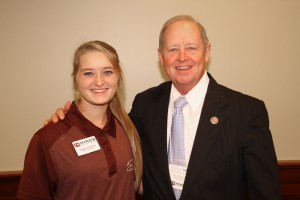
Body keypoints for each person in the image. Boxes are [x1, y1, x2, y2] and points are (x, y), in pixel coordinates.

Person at [45, 15, 281, 199]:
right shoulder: (146, 104)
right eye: (172, 49)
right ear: (161, 56)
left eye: (191, 47)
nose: (182, 57)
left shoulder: (247, 112)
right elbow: (109, 128)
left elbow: (265, 193)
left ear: (207, 52)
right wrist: (70, 118)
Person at [17, 40, 142, 200]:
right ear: (75, 79)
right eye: (88, 73)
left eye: (107, 72)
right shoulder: (48, 139)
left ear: (118, 77)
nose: (99, 81)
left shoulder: (129, 129)